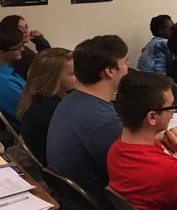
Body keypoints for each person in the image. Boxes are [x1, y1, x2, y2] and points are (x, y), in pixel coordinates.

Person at [47, 35, 128, 209]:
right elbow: (135, 174)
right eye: (125, 63)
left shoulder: (70, 100)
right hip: (106, 202)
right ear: (110, 71)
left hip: (75, 199)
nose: (128, 69)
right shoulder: (103, 122)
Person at [108, 71, 177, 210]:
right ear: (152, 117)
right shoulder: (170, 173)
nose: (173, 113)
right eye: (172, 107)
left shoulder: (115, 149)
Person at [18, 48, 79, 165]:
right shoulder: (53, 109)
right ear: (53, 79)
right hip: (57, 169)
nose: (79, 76)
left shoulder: (37, 98)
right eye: (73, 73)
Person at [0, 15, 51, 80]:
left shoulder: (21, 49)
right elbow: (48, 67)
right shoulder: (18, 53)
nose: (26, 31)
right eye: (20, 28)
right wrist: (41, 42)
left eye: (26, 27)